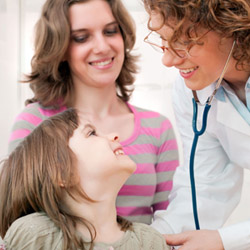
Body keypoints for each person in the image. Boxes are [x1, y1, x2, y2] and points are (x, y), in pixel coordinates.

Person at [8, 0, 179, 224]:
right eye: (81, 37)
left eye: (110, 31)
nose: (102, 46)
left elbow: (172, 222)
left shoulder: (158, 128)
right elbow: (19, 219)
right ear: (60, 49)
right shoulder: (34, 122)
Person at [142, 0, 250, 249]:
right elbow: (203, 186)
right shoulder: (192, 91)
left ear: (231, 25)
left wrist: (225, 240)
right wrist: (151, 241)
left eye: (181, 43)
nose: (168, 60)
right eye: (163, 41)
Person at [0, 108, 171, 250]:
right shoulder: (36, 236)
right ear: (63, 173)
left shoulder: (150, 242)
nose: (114, 135)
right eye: (92, 133)